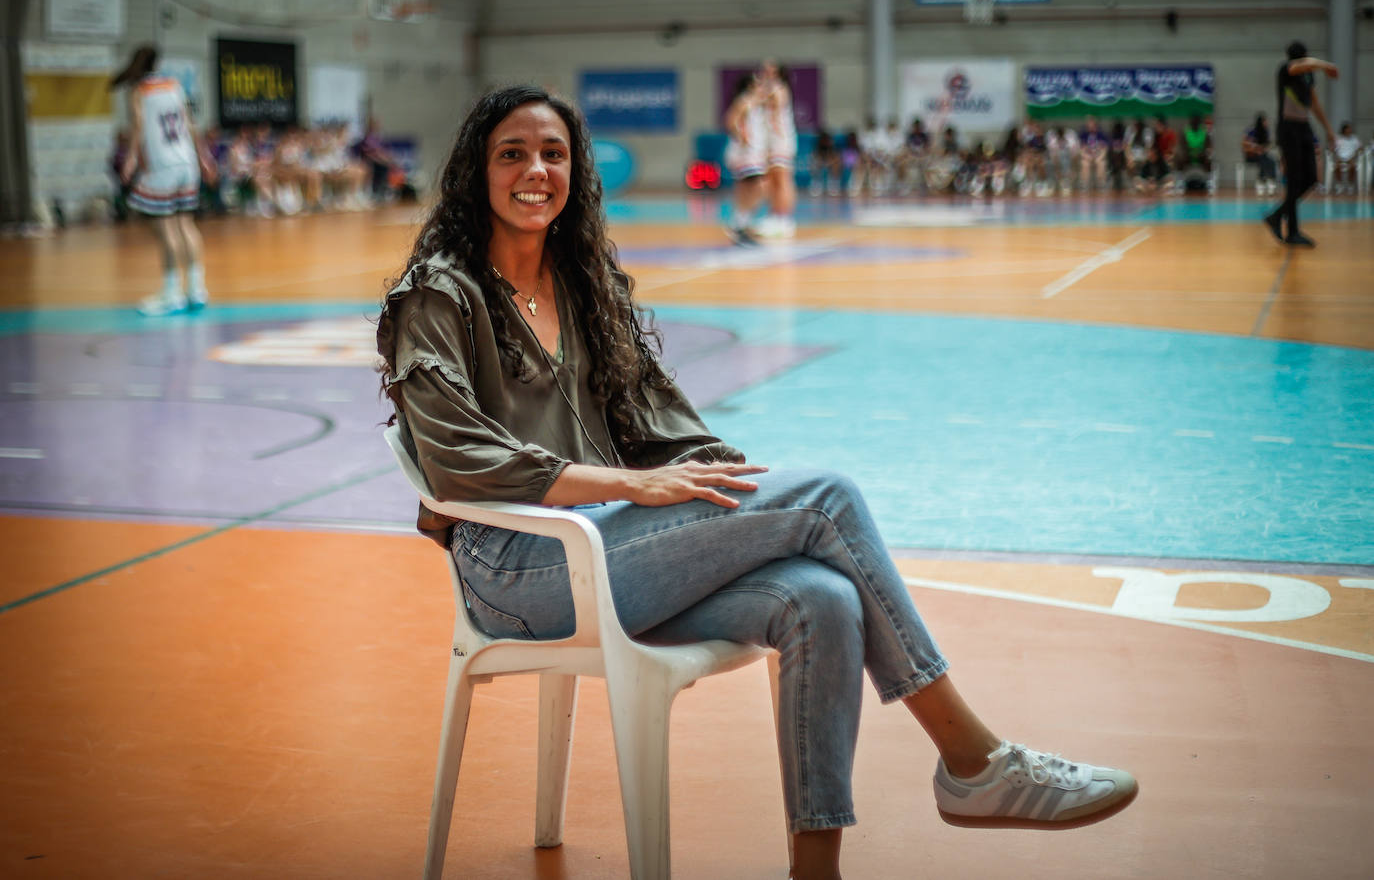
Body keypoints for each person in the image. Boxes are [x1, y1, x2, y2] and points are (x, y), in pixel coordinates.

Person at [375, 84, 1138, 880]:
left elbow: (657, 418)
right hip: (515, 570)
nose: (536, 170)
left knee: (823, 597)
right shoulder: (439, 292)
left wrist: (716, 474)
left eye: (553, 154)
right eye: (513, 154)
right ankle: (974, 760)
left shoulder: (579, 285)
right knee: (826, 497)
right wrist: (633, 488)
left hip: (605, 553)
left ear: (577, 172)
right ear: (477, 173)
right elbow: (456, 458)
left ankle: (816, 868)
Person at [111, 45, 215, 315]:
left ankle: (171, 294)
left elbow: (138, 127)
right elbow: (190, 122)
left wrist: (131, 158)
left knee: (166, 228)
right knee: (186, 224)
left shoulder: (140, 92)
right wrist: (203, 156)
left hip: (162, 164)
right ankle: (196, 289)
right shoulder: (173, 84)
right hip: (187, 161)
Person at [1265, 41, 1339, 246]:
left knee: (1311, 179)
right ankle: (1293, 231)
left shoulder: (1308, 75)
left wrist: (1329, 130)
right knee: (1295, 179)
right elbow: (1300, 65)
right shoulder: (1287, 69)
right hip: (1288, 128)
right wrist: (1326, 66)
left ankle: (1277, 215)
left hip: (1304, 128)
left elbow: (1314, 104)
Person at [722, 73, 768, 245]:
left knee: (747, 189)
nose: (762, 87)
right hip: (745, 153)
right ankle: (739, 223)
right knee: (757, 186)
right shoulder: (744, 101)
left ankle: (742, 224)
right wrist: (743, 137)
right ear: (750, 86)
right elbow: (730, 121)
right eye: (759, 84)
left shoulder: (756, 104)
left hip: (753, 153)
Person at [756, 60, 798, 238]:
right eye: (764, 69)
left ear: (778, 73)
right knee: (770, 181)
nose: (766, 73)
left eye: (770, 70)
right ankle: (774, 214)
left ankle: (785, 218)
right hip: (768, 142)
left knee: (782, 180)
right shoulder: (765, 91)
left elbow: (774, 112)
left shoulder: (779, 90)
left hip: (780, 141)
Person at [1242, 113, 1278, 195]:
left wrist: (1264, 148)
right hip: (1251, 155)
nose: (1267, 123)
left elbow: (1266, 147)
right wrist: (1255, 148)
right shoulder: (1252, 130)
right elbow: (1244, 144)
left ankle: (1268, 180)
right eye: (1265, 121)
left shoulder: (1266, 132)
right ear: (1261, 122)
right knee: (1263, 160)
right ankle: (1263, 181)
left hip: (1262, 155)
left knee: (1271, 161)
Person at [1331, 122, 1362, 194]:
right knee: (1336, 167)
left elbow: (1360, 148)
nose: (1349, 130)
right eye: (1348, 128)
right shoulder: (1338, 138)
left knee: (1353, 167)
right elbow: (1333, 149)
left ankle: (1350, 186)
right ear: (1344, 129)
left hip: (1351, 158)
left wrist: (1356, 153)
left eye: (1350, 128)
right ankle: (1339, 185)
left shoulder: (1355, 138)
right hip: (1340, 158)